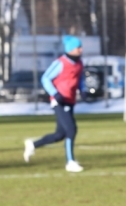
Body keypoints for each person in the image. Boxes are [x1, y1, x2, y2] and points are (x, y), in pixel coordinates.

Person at [23, 35, 86, 172]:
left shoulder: (79, 63)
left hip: (70, 101)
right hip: (59, 101)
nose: (81, 49)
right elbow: (45, 78)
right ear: (70, 49)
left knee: (60, 135)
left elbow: (79, 79)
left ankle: (33, 145)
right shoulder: (60, 63)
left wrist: (83, 90)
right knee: (71, 129)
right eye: (78, 47)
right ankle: (70, 162)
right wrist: (55, 93)